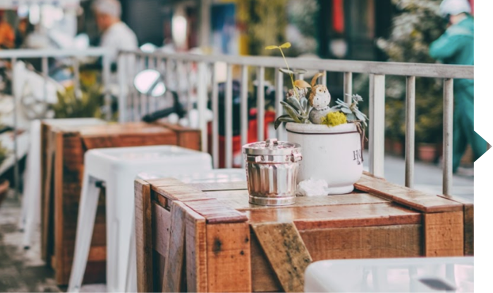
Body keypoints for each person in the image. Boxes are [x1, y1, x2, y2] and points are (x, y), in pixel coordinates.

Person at [430, 0, 483, 175]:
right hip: (468, 83)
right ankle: (450, 163)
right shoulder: (471, 26)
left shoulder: (459, 31)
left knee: (472, 125)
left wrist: (448, 32)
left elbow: (436, 50)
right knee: (460, 124)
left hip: (466, 84)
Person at [91, 0, 138, 67]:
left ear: (105, 16)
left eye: (97, 17)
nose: (96, 21)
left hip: (116, 77)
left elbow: (105, 63)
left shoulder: (114, 35)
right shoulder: (125, 32)